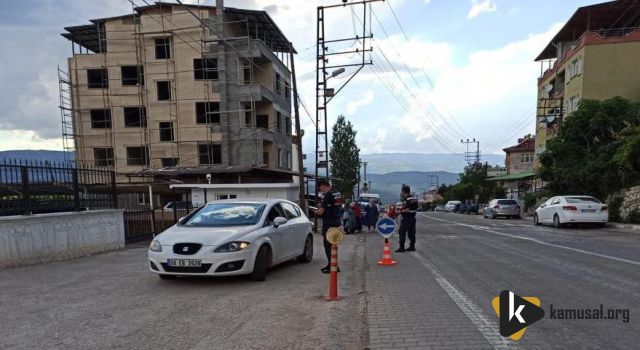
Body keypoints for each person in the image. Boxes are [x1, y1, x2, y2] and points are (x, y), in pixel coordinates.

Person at [314, 179, 342, 273]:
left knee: (327, 245)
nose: (321, 190)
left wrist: (316, 211)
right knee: (333, 245)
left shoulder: (328, 195)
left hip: (328, 223)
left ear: (323, 186)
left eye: (320, 188)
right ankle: (332, 265)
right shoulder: (337, 192)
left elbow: (321, 211)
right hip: (336, 222)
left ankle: (332, 266)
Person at [396, 185, 418, 252]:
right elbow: (414, 208)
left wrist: (400, 211)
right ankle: (412, 247)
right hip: (413, 218)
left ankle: (402, 248)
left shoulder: (407, 199)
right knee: (411, 233)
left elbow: (407, 209)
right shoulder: (414, 198)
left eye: (401, 191)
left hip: (407, 218)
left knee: (402, 232)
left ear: (404, 192)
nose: (401, 193)